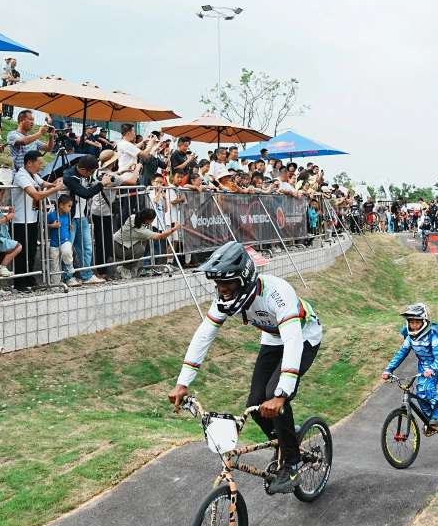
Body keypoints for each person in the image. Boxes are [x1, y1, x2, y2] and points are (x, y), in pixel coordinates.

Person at [167, 241, 323, 495]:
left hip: (304, 337)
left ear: (245, 278)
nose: (222, 290)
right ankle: (287, 437)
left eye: (227, 283)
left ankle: (292, 462)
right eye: (218, 284)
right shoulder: (225, 299)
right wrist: (182, 382)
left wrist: (281, 394)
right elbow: (204, 335)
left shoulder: (277, 292)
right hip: (273, 338)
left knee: (273, 393)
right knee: (255, 401)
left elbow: (293, 341)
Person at [381, 303, 438, 424]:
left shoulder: (431, 336)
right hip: (423, 365)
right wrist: (388, 369)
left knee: (429, 387)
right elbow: (400, 354)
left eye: (417, 322)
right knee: (420, 393)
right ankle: (430, 419)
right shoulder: (410, 338)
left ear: (424, 322)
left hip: (437, 364)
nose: (414, 325)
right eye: (411, 322)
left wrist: (432, 368)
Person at [12, 151, 61, 290]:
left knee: (31, 251)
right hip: (20, 220)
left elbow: (42, 182)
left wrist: (53, 184)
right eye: (39, 163)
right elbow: (35, 194)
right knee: (22, 253)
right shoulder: (21, 175)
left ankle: (29, 278)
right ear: (29, 163)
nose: (41, 165)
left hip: (32, 219)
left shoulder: (32, 174)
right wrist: (55, 189)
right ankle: (19, 283)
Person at [61, 155, 110, 285]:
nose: (92, 175)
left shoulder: (85, 176)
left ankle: (86, 275)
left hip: (81, 217)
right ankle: (68, 277)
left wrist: (100, 181)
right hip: (68, 218)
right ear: (85, 169)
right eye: (92, 172)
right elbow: (84, 193)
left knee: (86, 248)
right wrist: (101, 185)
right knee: (67, 249)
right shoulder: (69, 176)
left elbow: (89, 188)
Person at [114, 205, 179, 273]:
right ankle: (125, 269)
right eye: (152, 220)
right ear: (147, 220)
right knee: (140, 249)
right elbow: (161, 236)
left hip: (114, 242)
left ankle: (129, 268)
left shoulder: (132, 217)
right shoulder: (141, 231)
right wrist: (174, 229)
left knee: (143, 243)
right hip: (118, 248)